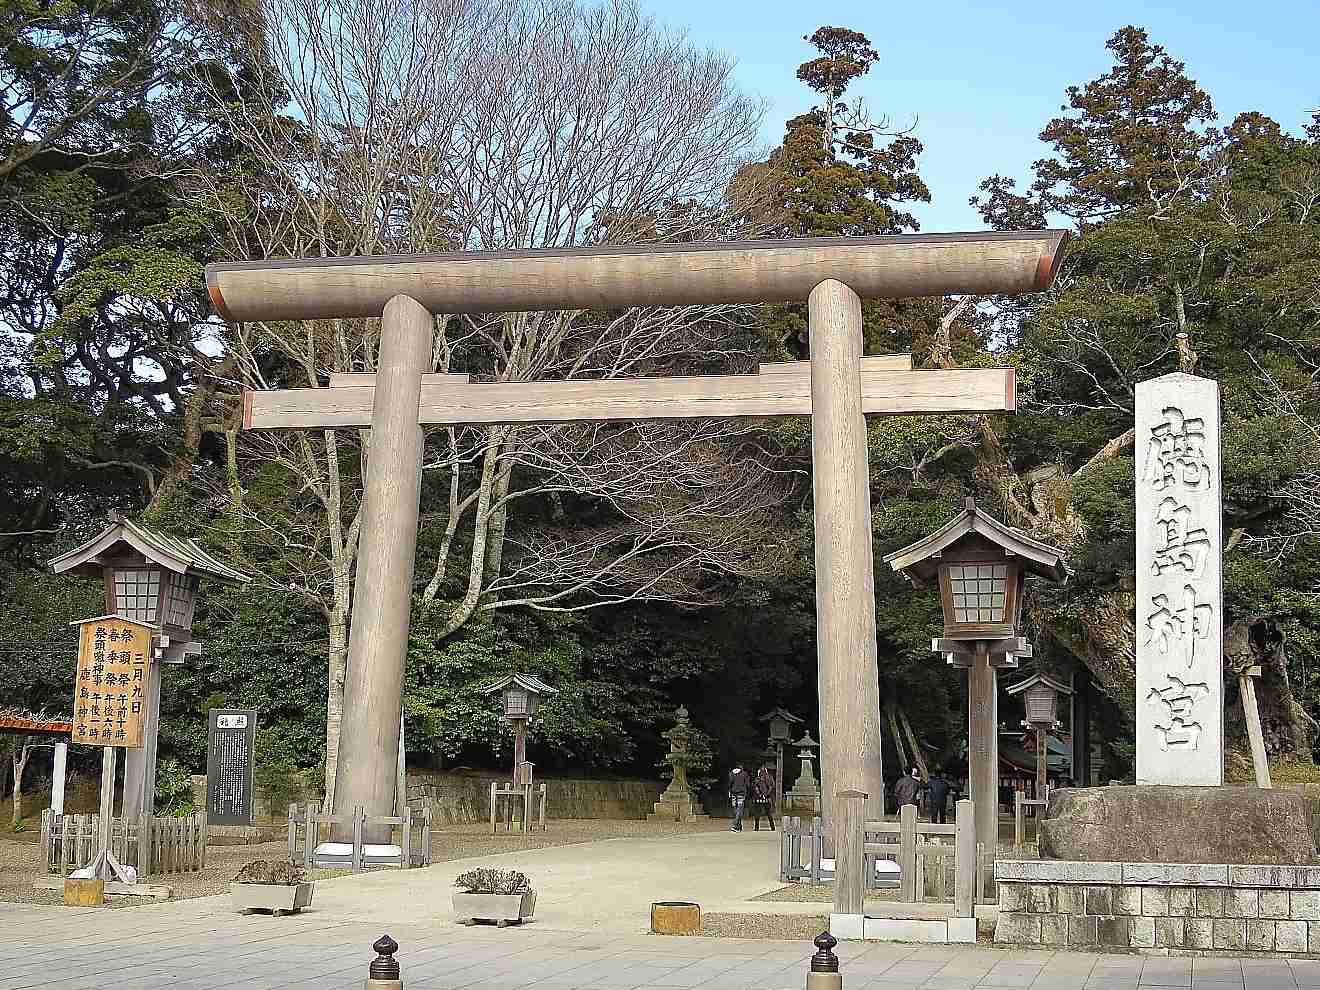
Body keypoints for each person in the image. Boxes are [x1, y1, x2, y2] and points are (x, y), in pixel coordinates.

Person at [751, 764, 777, 831]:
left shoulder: (757, 779)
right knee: (769, 813)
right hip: (767, 798)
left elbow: (755, 788)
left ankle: (756, 828)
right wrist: (766, 794)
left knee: (757, 813)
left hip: (759, 798)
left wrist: (760, 794)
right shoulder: (769, 778)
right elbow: (772, 787)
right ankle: (772, 827)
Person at [728, 764, 751, 832]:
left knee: (736, 810)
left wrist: (730, 791)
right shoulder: (744, 774)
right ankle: (735, 825)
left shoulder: (731, 774)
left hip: (733, 793)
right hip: (741, 793)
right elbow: (747, 784)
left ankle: (739, 827)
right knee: (739, 810)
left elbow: (729, 784)